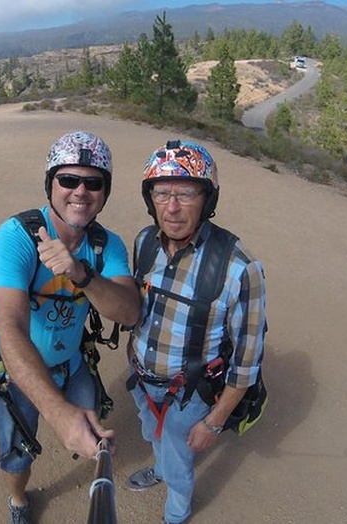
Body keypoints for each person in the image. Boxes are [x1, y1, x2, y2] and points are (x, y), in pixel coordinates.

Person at [0, 131, 140, 524]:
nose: (81, 191)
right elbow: (10, 329)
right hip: (19, 373)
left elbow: (130, 312)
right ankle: (18, 500)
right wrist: (57, 412)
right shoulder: (13, 239)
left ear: (105, 191)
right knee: (17, 454)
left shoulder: (106, 246)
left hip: (71, 361)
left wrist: (81, 274)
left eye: (93, 182)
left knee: (93, 430)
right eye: (69, 180)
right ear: (50, 183)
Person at [125, 139, 267, 524]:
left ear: (208, 199)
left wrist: (214, 421)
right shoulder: (145, 242)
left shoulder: (238, 268)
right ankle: (160, 468)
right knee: (154, 437)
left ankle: (176, 512)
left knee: (180, 459)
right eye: (161, 193)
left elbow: (247, 361)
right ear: (149, 198)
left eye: (186, 193)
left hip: (190, 394)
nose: (172, 207)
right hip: (141, 378)